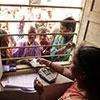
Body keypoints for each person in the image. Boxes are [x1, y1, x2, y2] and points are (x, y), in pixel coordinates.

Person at [34, 44, 100, 100]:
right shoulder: (81, 82)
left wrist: (41, 93)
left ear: (82, 74)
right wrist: (48, 63)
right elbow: (63, 70)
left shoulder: (75, 98)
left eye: (74, 62)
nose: (70, 62)